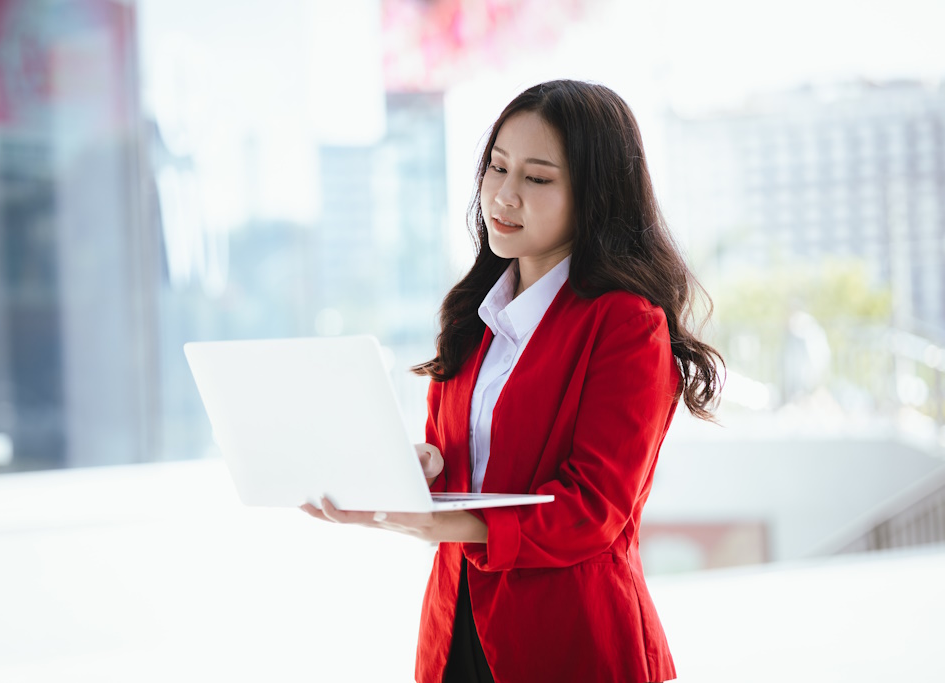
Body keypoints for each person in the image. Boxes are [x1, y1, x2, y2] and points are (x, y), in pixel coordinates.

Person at [302, 79, 723, 683]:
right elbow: (461, 463)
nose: (503, 195)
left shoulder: (625, 324)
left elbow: (594, 510)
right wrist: (412, 469)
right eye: (497, 168)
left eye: (538, 178)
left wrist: (449, 524)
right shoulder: (474, 315)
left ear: (595, 197)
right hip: (454, 627)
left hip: (570, 638)